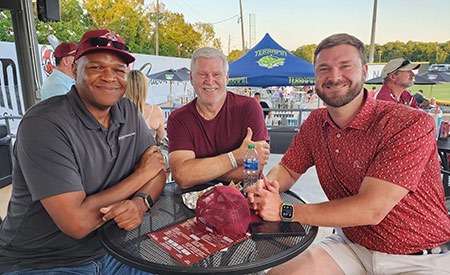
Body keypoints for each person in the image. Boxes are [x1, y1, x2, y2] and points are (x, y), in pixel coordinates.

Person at [247, 33, 450, 275]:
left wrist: (284, 210)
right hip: (352, 246)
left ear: (364, 72)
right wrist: (267, 188)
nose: (334, 76)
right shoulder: (315, 122)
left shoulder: (409, 123)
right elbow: (289, 168)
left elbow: (371, 209)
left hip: (417, 256)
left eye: (345, 66)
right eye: (324, 69)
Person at [0, 30, 167, 274]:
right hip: (40, 260)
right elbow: (77, 223)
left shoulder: (128, 110)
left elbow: (158, 171)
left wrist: (140, 203)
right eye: (97, 67)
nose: (109, 77)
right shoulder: (44, 123)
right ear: (75, 70)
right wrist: (141, 176)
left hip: (113, 250)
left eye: (119, 70)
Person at [167, 47, 270, 189]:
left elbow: (254, 172)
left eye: (216, 74)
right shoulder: (178, 119)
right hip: (193, 202)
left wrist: (199, 169)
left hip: (245, 196)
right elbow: (182, 176)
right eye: (202, 74)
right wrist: (236, 157)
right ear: (191, 78)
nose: (210, 81)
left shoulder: (249, 107)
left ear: (226, 77)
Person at [125, 70, 169, 173]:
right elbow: (160, 138)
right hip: (150, 164)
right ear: (145, 88)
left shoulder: (119, 111)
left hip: (127, 164)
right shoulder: (156, 111)